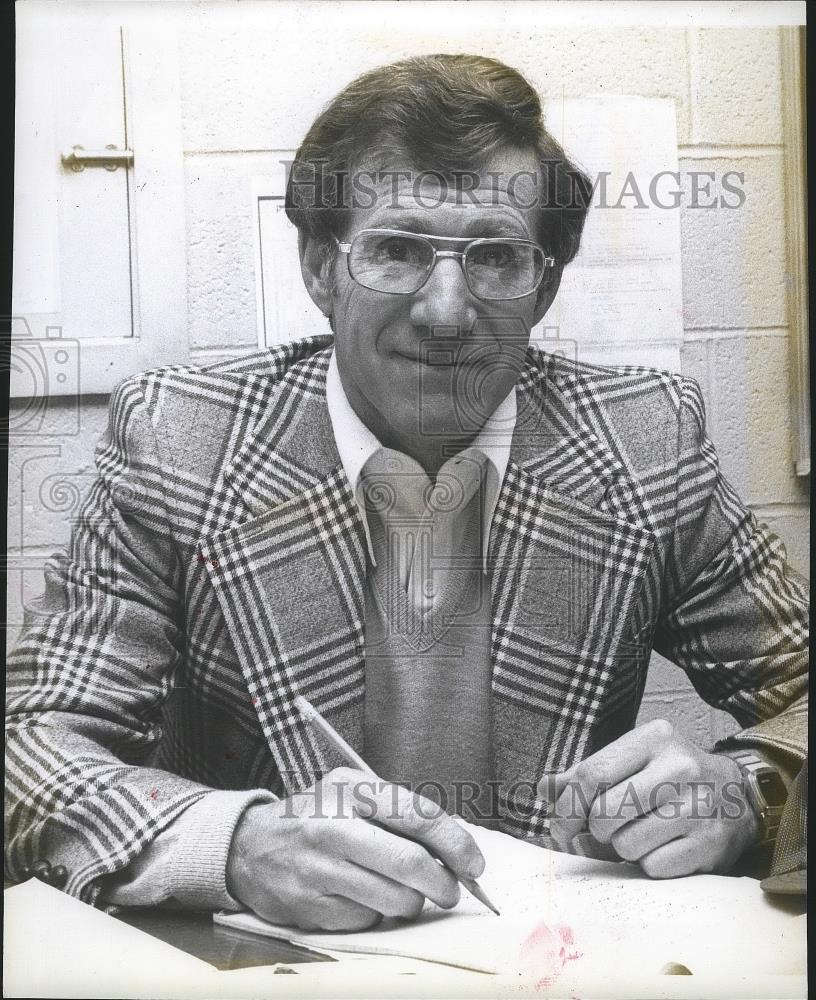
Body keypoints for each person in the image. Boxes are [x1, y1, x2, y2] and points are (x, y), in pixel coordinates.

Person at [5, 54, 808, 932]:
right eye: (396, 250)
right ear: (320, 268)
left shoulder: (647, 438)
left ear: (543, 284)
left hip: (561, 965)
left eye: (497, 258)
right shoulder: (178, 439)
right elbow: (33, 743)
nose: (447, 311)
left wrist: (749, 792)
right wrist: (232, 844)